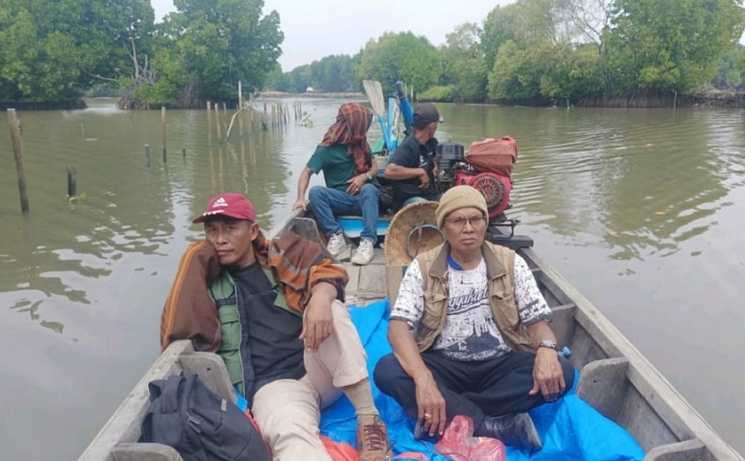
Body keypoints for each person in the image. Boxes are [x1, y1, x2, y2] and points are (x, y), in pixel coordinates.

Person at [161, 192, 390, 461]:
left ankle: (368, 419)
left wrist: (320, 295)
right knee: (291, 437)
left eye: (230, 228)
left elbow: (329, 270)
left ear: (253, 230)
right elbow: (179, 329)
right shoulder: (209, 282)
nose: (220, 240)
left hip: (320, 366)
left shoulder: (282, 255)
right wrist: (195, 257)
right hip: (277, 387)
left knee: (333, 310)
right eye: (212, 232)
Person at [373, 186, 574, 451]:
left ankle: (451, 412)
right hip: (444, 365)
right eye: (458, 221)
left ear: (484, 223)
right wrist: (424, 380)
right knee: (387, 370)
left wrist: (547, 350)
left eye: (475, 219)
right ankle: (491, 425)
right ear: (444, 227)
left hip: (500, 365)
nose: (468, 228)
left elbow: (538, 324)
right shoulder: (423, 267)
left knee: (563, 371)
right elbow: (398, 328)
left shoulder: (511, 262)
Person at [294, 103, 379, 266]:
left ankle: (367, 242)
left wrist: (364, 177)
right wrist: (299, 198)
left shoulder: (362, 144)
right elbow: (306, 173)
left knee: (369, 189)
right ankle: (336, 236)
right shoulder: (326, 150)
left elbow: (375, 167)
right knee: (316, 193)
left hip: (364, 199)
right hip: (340, 200)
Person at [383, 103, 442, 210]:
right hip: (410, 198)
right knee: (424, 206)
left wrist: (435, 166)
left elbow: (433, 161)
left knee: (452, 202)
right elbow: (389, 171)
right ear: (431, 126)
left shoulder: (432, 143)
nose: (437, 127)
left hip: (430, 194)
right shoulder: (409, 146)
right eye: (436, 124)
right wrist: (420, 172)